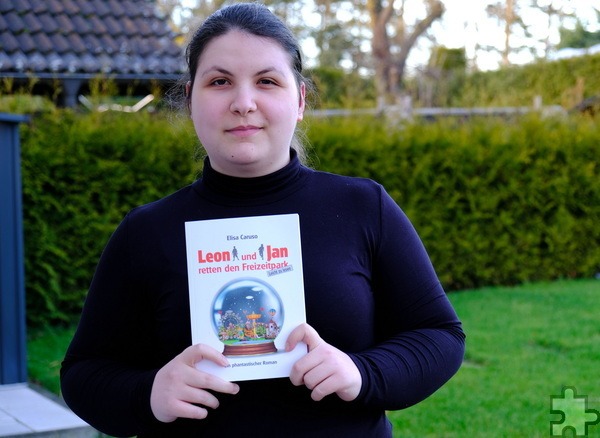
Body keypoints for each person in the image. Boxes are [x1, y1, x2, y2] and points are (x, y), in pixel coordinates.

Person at [60, 3, 465, 437]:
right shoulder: (147, 231)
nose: (243, 103)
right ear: (190, 98)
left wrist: (361, 372)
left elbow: (439, 335)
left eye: (267, 81)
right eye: (220, 82)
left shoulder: (363, 206)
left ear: (301, 100)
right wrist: (150, 393)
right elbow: (84, 373)